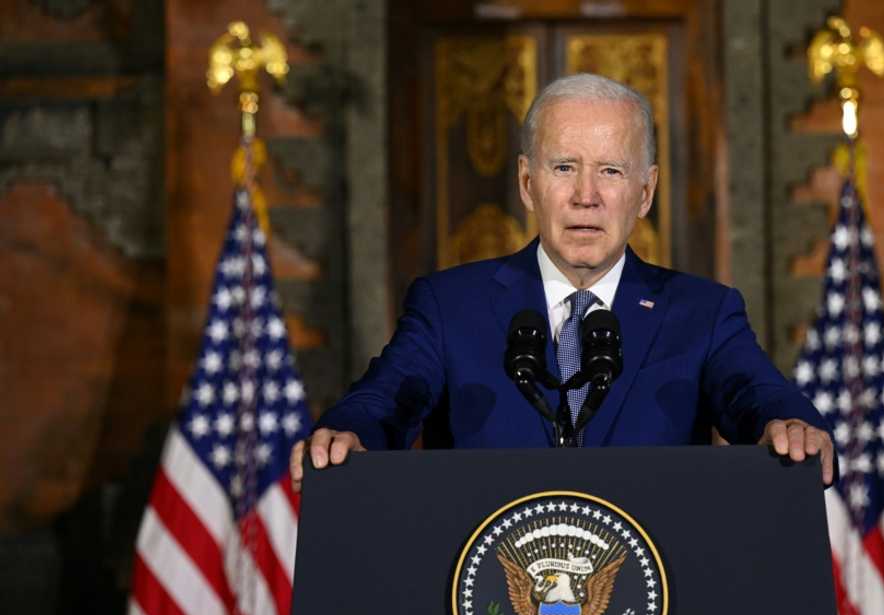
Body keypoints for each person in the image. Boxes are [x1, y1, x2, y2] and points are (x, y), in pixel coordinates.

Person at [289, 73, 833, 491]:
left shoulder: (703, 313)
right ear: (528, 184)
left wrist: (789, 424)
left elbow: (757, 393)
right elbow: (387, 396)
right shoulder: (450, 307)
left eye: (612, 171)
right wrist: (350, 433)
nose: (585, 196)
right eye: (564, 168)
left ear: (645, 193)